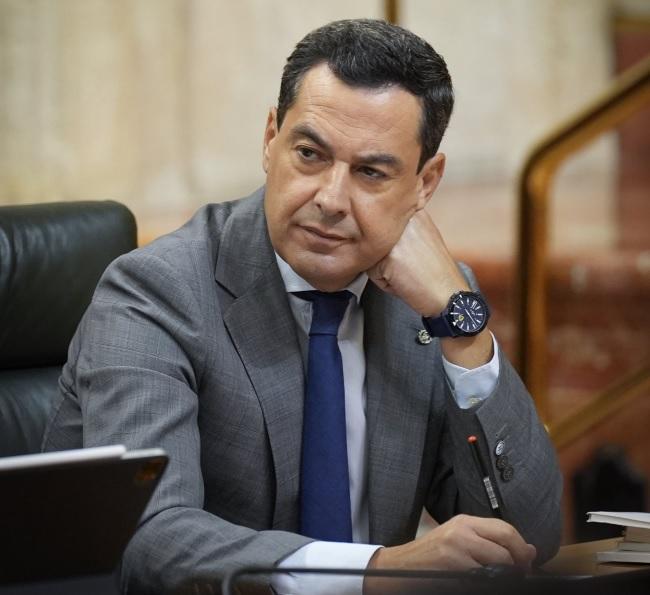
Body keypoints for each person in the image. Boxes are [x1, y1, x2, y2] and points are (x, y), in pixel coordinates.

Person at [43, 18, 562, 595]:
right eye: (310, 154)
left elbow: (532, 538)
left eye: (370, 172)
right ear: (271, 138)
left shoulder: (431, 302)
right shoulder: (156, 292)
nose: (331, 199)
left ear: (425, 183)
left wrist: (463, 330)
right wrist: (376, 572)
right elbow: (149, 539)